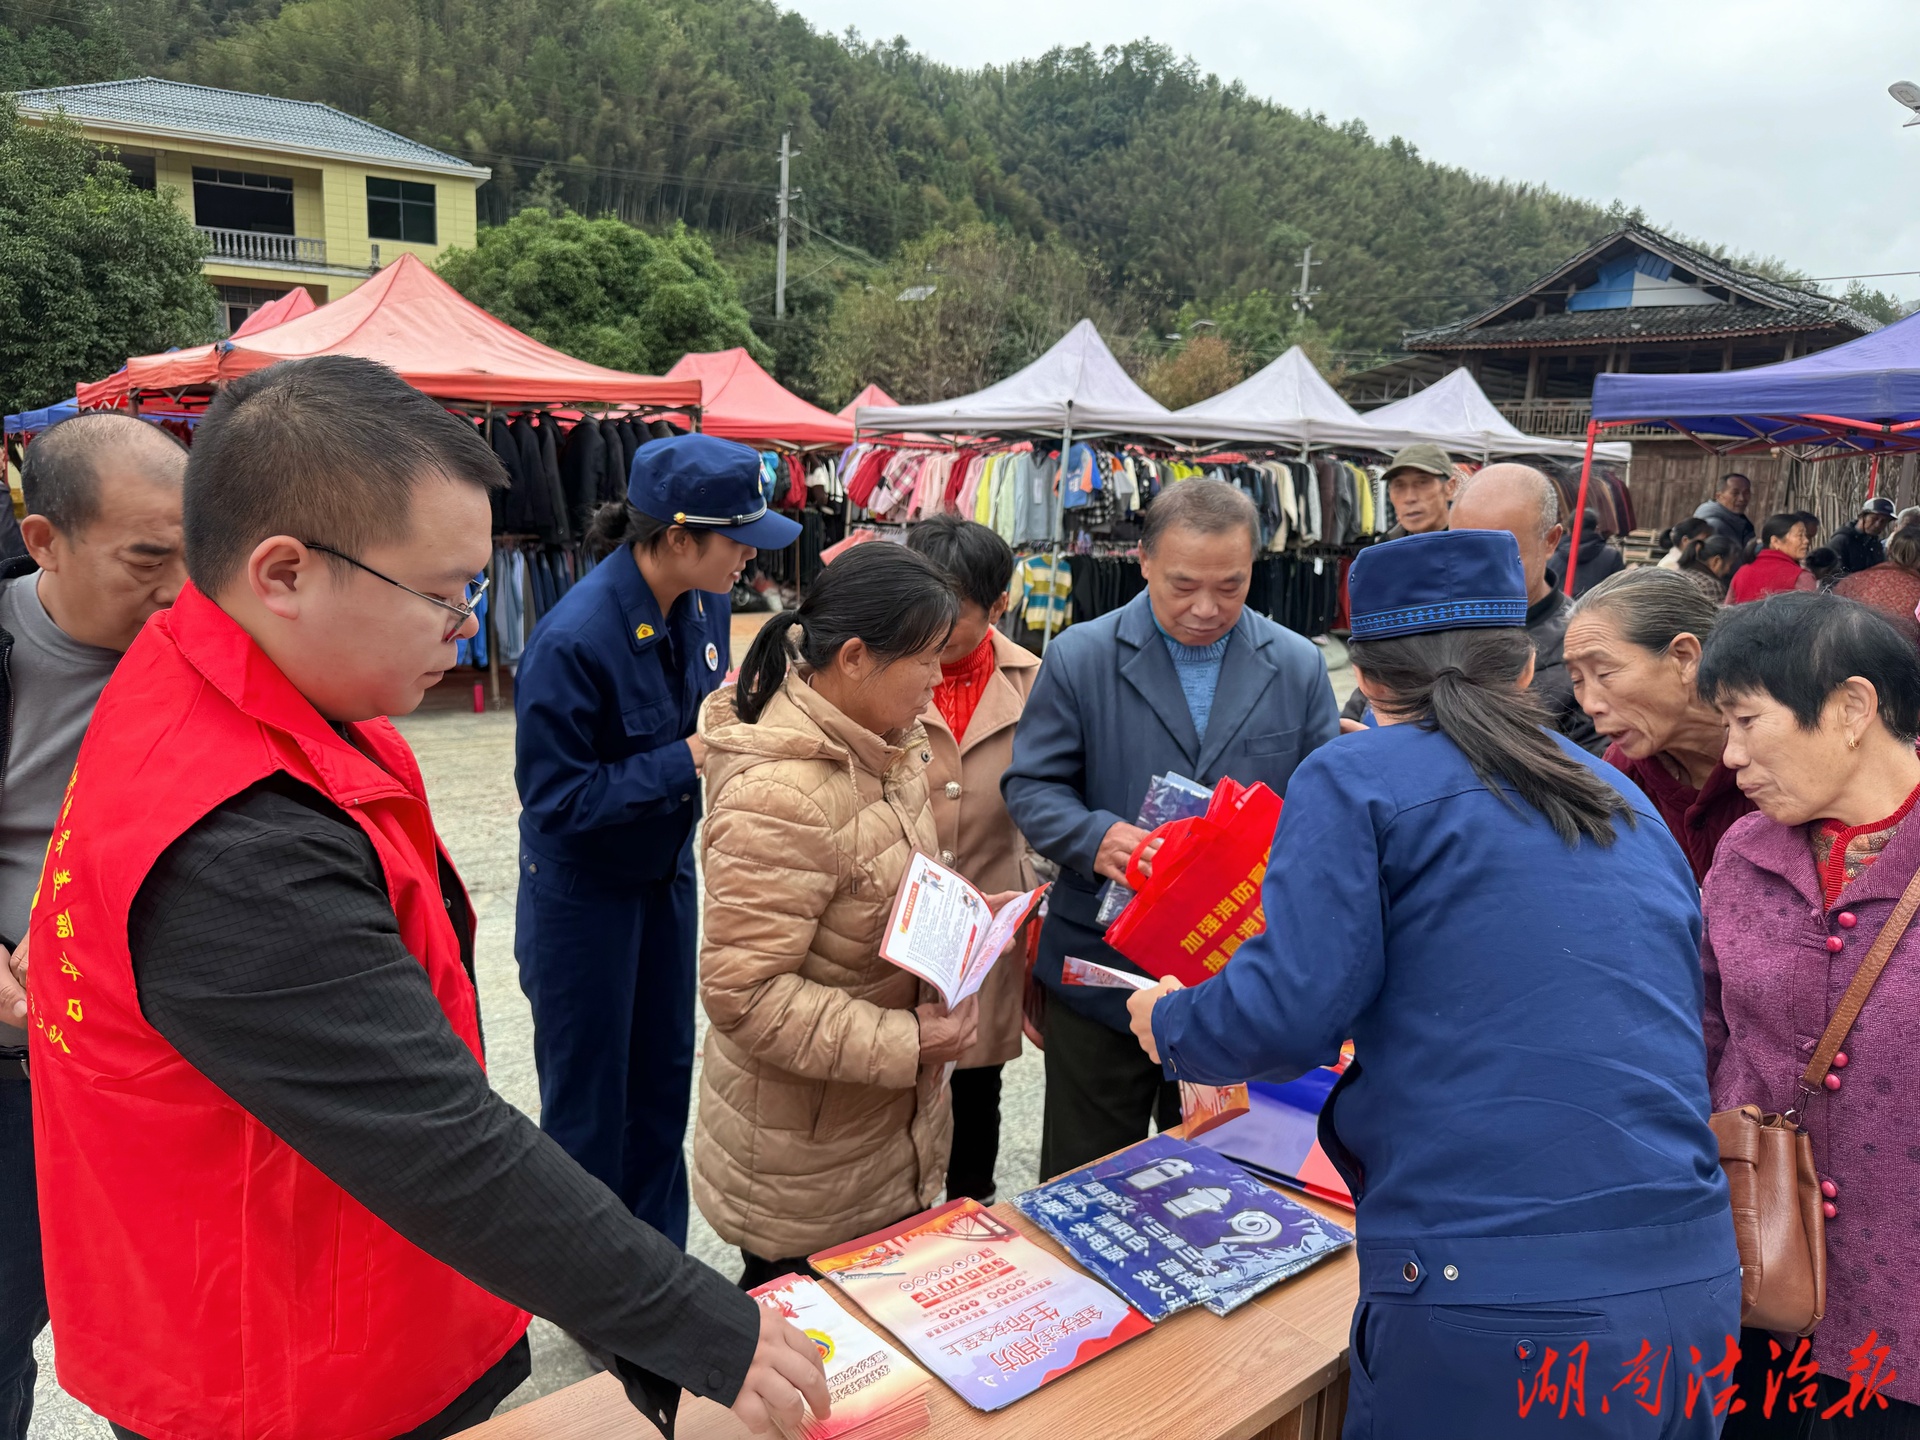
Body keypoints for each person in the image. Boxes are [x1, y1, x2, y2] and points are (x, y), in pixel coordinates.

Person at [26, 357, 826, 1440]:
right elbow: (438, 1139)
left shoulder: (238, 684)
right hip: (280, 1358)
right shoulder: (233, 835)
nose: (468, 623)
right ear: (284, 572)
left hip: (317, 1277)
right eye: (445, 591)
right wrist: (697, 1330)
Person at [1127, 529, 1739, 1440]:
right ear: (1526, 668)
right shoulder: (1623, 798)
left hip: (1498, 1302)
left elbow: (1290, 1013)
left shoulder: (1356, 776)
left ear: (1367, 679)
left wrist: (1173, 1020)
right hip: (1689, 1284)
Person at [1003, 479, 1340, 1180]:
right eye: (1184, 585)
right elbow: (1031, 786)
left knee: (1228, 1184)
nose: (1207, 608)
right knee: (1090, 1180)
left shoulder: (1298, 664)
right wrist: (1098, 839)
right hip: (1103, 972)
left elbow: (1320, 807)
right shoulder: (1080, 656)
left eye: (1231, 585)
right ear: (1145, 562)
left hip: (1235, 973)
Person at [513, 433, 797, 1250]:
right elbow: (557, 800)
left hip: (664, 877)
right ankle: (594, 1291)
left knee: (664, 1076)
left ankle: (656, 1269)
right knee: (591, 1098)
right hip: (584, 895)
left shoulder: (702, 601)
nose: (750, 555)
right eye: (737, 538)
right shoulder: (574, 641)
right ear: (678, 539)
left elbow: (713, 701)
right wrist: (689, 758)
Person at [695, 543, 998, 1287]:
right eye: (925, 661)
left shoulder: (885, 746)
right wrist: (907, 1038)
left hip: (878, 1128)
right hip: (809, 1154)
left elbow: (868, 887)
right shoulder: (782, 795)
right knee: (811, 1363)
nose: (936, 683)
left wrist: (960, 916)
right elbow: (745, 993)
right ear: (856, 656)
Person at [0, 413, 186, 1440]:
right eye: (147, 560)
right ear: (46, 541)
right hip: (13, 1068)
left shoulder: (197, 654)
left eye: (192, 558)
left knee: (164, 1338)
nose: (174, 591)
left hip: (145, 1066)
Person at [1697, 593, 1920, 1432]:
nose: (1732, 756)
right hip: (1754, 1288)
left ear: (1852, 708)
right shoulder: (1745, 851)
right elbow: (1703, 1032)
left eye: (1749, 722)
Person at [904, 515, 1039, 1205]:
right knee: (892, 1082)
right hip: (895, 930)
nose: (937, 622)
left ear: (998, 606)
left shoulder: (1037, 683)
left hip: (988, 931)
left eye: (956, 609)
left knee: (977, 1089)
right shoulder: (882, 675)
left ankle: (969, 1212)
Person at [1563, 568, 1754, 885]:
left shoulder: (1783, 755)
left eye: (1605, 672)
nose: (1589, 704)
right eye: (1577, 680)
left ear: (1683, 658)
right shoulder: (1621, 778)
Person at [1446, 464, 1604, 753]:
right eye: (1463, 552)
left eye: (1500, 555)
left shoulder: (1584, 654)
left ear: (1551, 541)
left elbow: (1588, 782)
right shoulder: (1429, 623)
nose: (1478, 572)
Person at [1832, 520, 1920, 647]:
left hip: (1844, 653)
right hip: (1898, 661)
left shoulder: (1852, 581)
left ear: (1889, 549)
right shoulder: (1916, 591)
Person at [1728, 511, 1810, 602]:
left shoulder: (1741, 573)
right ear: (1775, 541)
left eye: (1805, 535)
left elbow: (1726, 612)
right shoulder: (1801, 577)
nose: (1806, 541)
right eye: (1800, 535)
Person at [1380, 443, 1457, 539]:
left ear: (1450, 487)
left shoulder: (1473, 544)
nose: (1409, 498)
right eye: (1399, 486)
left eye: (1422, 483)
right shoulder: (1385, 549)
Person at [1549, 506, 1624, 599]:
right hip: (1597, 611)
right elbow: (1620, 594)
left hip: (1561, 612)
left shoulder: (1551, 558)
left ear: (1568, 530)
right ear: (1596, 528)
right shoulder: (1612, 557)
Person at [1829, 496, 1894, 577]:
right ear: (1862, 517)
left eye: (1883, 521)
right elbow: (1832, 575)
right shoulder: (1841, 540)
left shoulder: (1875, 545)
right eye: (1874, 518)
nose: (1878, 525)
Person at [1694, 472, 1755, 547]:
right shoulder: (1713, 525)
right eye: (1735, 493)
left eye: (1746, 493)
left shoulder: (1741, 521)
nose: (1742, 499)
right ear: (1718, 496)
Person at [1678, 532, 1739, 601]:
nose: (1728, 571)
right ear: (1716, 561)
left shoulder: (1680, 572)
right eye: (1730, 565)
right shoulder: (1710, 585)